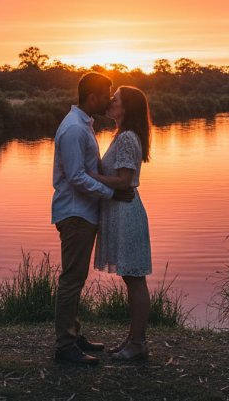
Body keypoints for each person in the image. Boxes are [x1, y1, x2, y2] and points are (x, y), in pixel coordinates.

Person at [52, 72, 134, 365]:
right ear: (92, 97)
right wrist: (110, 194)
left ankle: (73, 334)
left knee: (77, 277)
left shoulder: (82, 125)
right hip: (75, 213)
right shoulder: (74, 129)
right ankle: (65, 346)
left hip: (83, 212)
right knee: (71, 279)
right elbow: (75, 177)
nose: (110, 98)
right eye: (107, 93)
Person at [90, 85, 153, 361]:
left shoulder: (127, 138)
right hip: (121, 211)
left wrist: (89, 175)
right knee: (132, 279)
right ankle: (133, 340)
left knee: (135, 280)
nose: (109, 101)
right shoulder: (122, 135)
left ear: (125, 108)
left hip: (127, 213)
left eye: (114, 99)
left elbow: (124, 181)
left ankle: (138, 343)